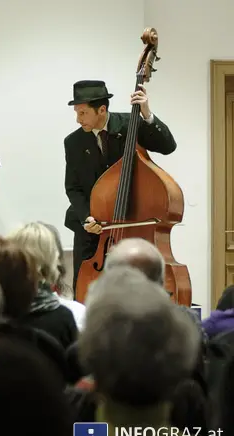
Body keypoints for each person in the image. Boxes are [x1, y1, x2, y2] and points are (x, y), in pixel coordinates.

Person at [64, 80, 177, 292]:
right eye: (76, 113)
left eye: (82, 113)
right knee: (84, 289)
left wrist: (147, 115)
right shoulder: (73, 142)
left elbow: (168, 146)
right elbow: (73, 187)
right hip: (90, 233)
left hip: (132, 223)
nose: (78, 119)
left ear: (102, 109)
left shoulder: (130, 125)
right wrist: (87, 216)